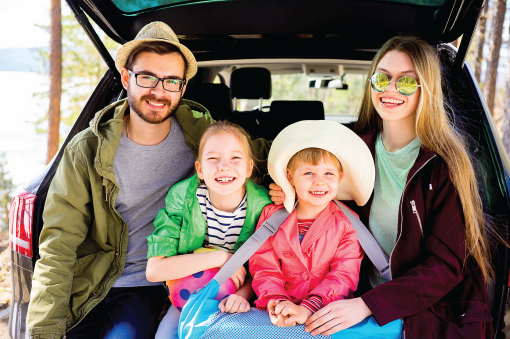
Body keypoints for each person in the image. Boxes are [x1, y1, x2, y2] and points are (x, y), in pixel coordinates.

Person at [27, 22, 270, 339]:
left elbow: (262, 156)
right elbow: (59, 245)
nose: (159, 91)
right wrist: (44, 329)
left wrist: (288, 179)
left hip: (148, 285)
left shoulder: (204, 138)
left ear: (182, 89)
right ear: (127, 78)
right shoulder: (88, 149)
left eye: (171, 81)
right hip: (86, 283)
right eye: (147, 78)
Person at [269, 36, 494, 338]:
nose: (390, 89)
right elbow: (319, 198)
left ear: (425, 89)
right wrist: (290, 192)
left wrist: (368, 304)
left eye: (405, 82)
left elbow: (445, 266)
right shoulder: (348, 153)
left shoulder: (447, 165)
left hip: (426, 316)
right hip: (345, 298)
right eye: (382, 78)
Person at [146, 121, 272, 339]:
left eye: (235, 158)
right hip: (187, 300)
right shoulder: (182, 200)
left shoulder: (265, 207)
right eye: (213, 158)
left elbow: (269, 266)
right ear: (200, 170)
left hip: (243, 299)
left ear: (249, 168)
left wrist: (243, 295)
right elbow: (154, 271)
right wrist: (222, 258)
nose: (224, 166)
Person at [250, 121, 369, 328]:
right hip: (274, 315)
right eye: (308, 173)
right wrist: (278, 302)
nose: (319, 181)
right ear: (290, 177)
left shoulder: (347, 223)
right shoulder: (270, 216)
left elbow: (343, 274)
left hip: (325, 316)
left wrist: (308, 308)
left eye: (329, 173)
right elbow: (264, 267)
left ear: (340, 177)